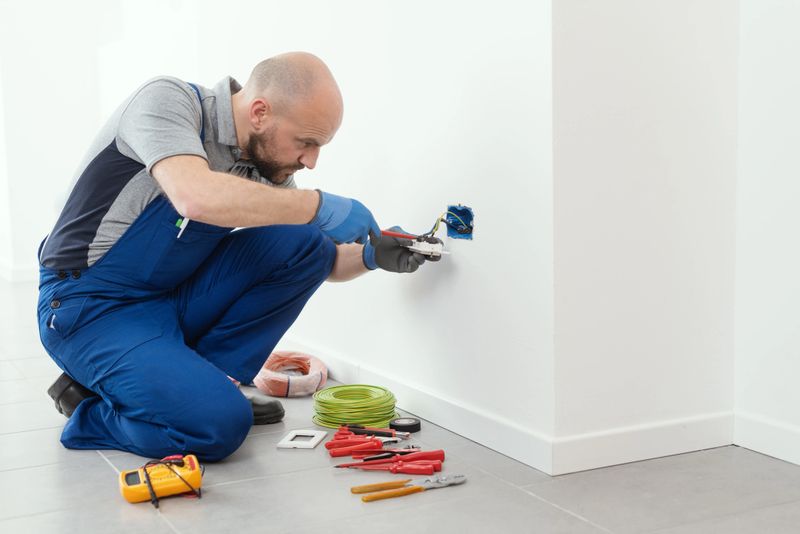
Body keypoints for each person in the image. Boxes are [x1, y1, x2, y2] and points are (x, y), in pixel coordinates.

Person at [37, 52, 438, 461]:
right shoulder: (168, 102)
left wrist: (372, 255)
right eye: (307, 142)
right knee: (218, 427)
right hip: (89, 307)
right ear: (260, 112)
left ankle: (203, 382)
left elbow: (323, 260)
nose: (312, 161)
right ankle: (92, 411)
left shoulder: (261, 163)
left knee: (304, 243)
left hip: (170, 297)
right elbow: (193, 195)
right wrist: (315, 206)